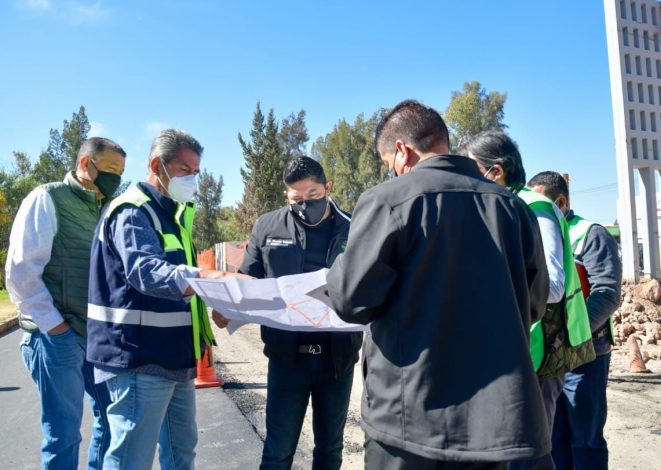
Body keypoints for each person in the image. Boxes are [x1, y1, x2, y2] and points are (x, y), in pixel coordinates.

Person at [326, 100, 551, 469]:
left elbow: (352, 300)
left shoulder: (388, 201)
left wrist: (339, 268)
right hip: (493, 423)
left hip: (409, 420)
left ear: (402, 150)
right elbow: (534, 304)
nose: (392, 173)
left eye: (388, 165)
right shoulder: (513, 209)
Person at [86, 129, 242, 470]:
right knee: (131, 458)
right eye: (185, 169)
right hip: (137, 357)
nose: (193, 178)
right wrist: (211, 278)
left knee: (181, 449)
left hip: (174, 358)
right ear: (158, 165)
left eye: (197, 171)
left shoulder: (173, 215)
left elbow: (184, 289)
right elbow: (145, 271)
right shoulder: (133, 211)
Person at [460, 132, 595, 470]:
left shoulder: (536, 207)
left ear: (496, 170)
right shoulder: (505, 206)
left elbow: (554, 286)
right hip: (520, 347)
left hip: (545, 348)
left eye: (471, 168)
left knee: (530, 451)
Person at [230, 156, 362, 470]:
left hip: (337, 360)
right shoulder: (268, 225)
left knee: (330, 451)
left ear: (328, 188)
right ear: (286, 195)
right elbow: (248, 276)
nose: (305, 205)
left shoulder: (354, 227)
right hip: (287, 359)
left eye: (313, 196)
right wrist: (231, 305)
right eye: (296, 199)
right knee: (277, 452)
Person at [6, 137, 125, 469]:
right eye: (112, 170)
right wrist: (57, 329)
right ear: (86, 164)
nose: (116, 178)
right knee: (63, 434)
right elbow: (20, 273)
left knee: (111, 420)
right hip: (56, 338)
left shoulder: (104, 209)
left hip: (94, 336)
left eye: (121, 172)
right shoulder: (47, 198)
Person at [528, 172, 622, 470]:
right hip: (552, 354)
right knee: (553, 436)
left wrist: (573, 334)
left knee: (585, 438)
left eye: (543, 201)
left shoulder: (590, 234)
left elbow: (607, 294)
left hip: (586, 352)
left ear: (561, 201)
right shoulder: (540, 231)